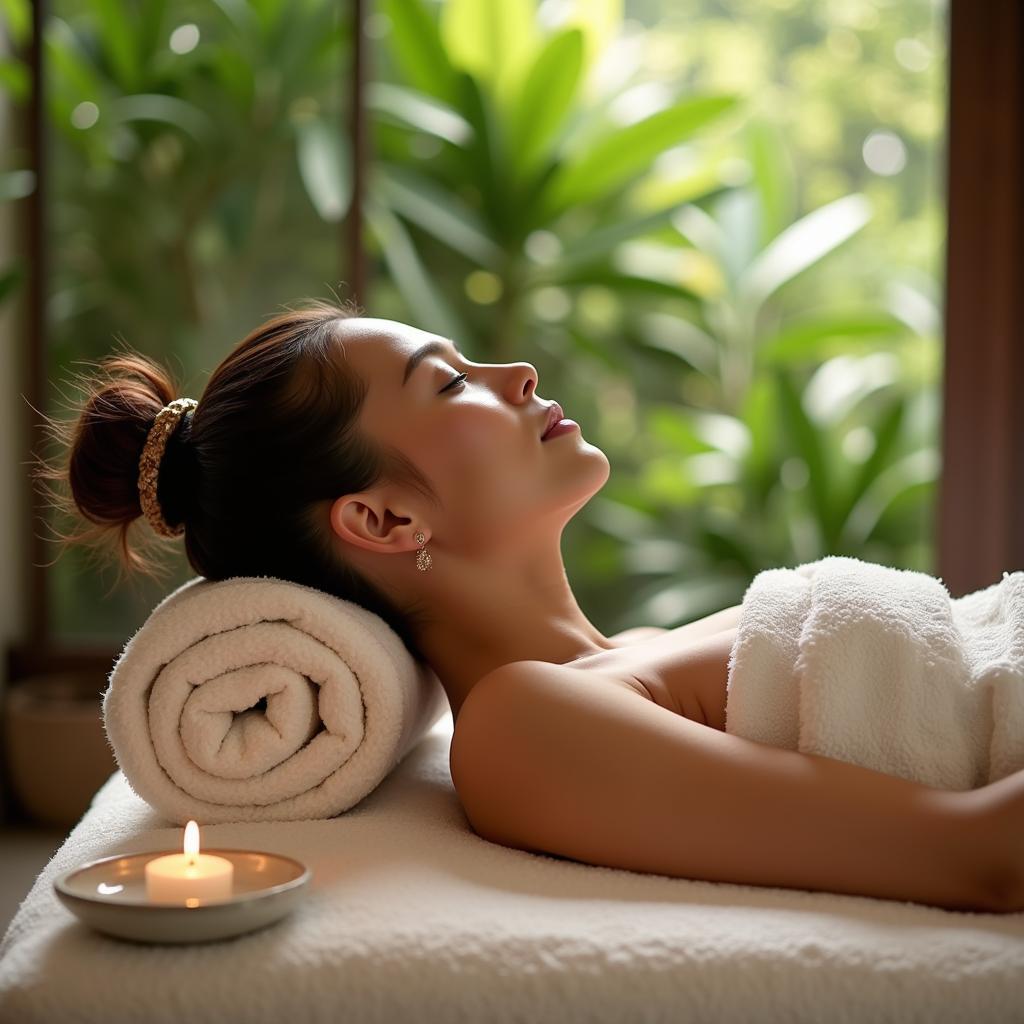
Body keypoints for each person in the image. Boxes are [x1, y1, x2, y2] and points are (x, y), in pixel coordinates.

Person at [36, 299, 1024, 914]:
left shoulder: (626, 655)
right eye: (452, 380)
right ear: (382, 516)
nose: (516, 375)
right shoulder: (522, 727)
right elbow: (982, 852)